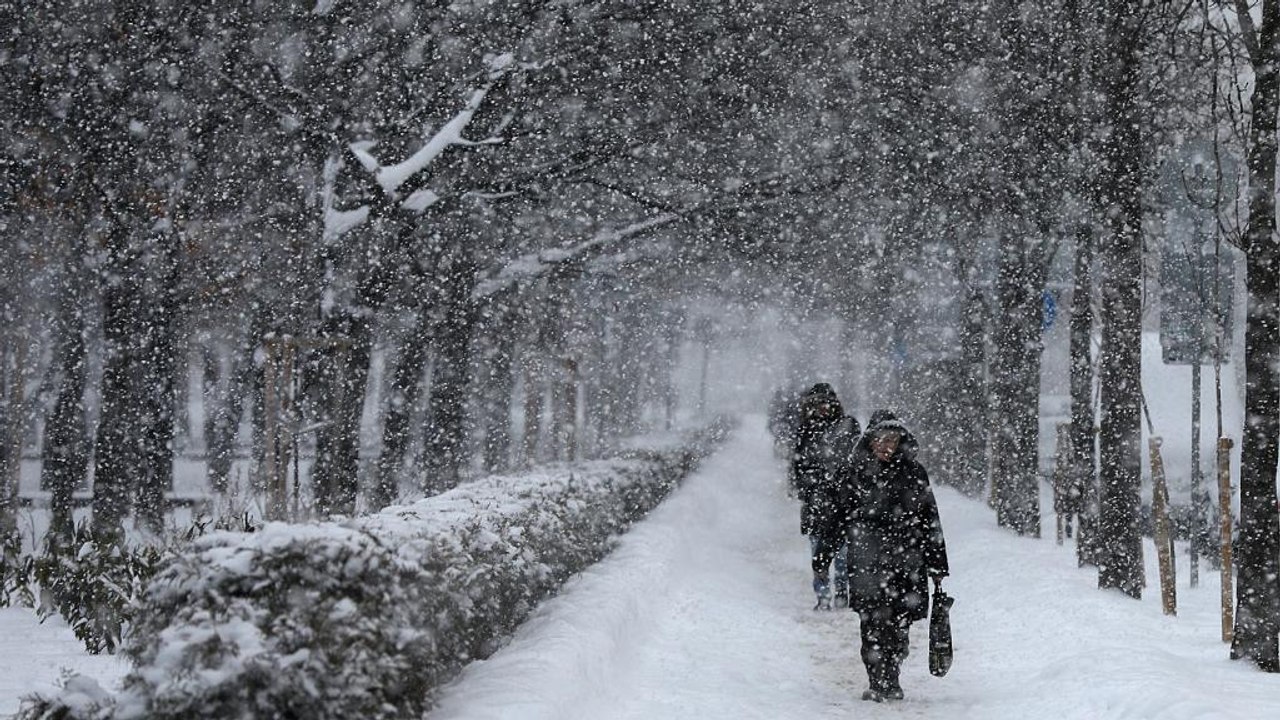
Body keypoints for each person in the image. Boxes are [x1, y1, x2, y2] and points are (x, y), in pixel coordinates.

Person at [838, 416, 948, 702]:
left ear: (901, 443)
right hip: (867, 563)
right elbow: (838, 514)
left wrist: (937, 564)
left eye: (892, 440)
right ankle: (877, 681)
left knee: (900, 626)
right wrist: (826, 551)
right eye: (881, 440)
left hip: (906, 563)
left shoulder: (914, 473)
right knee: (872, 625)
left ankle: (892, 675)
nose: (886, 446)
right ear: (870, 441)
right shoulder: (856, 472)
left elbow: (929, 519)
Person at [790, 383, 859, 610]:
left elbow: (857, 459)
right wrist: (810, 486)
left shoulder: (847, 426)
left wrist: (844, 482)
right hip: (816, 501)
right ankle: (822, 594)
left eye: (826, 403)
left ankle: (841, 590)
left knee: (842, 550)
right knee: (818, 549)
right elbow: (798, 465)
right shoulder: (805, 430)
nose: (823, 408)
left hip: (841, 499)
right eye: (818, 403)